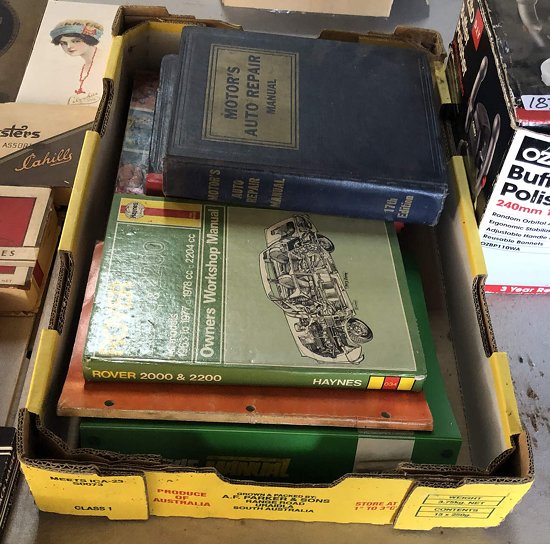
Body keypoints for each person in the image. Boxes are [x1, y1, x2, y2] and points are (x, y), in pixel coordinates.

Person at [49, 20, 104, 104]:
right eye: (63, 43)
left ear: (90, 39)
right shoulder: (82, 65)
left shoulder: (103, 60)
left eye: (76, 41)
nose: (69, 46)